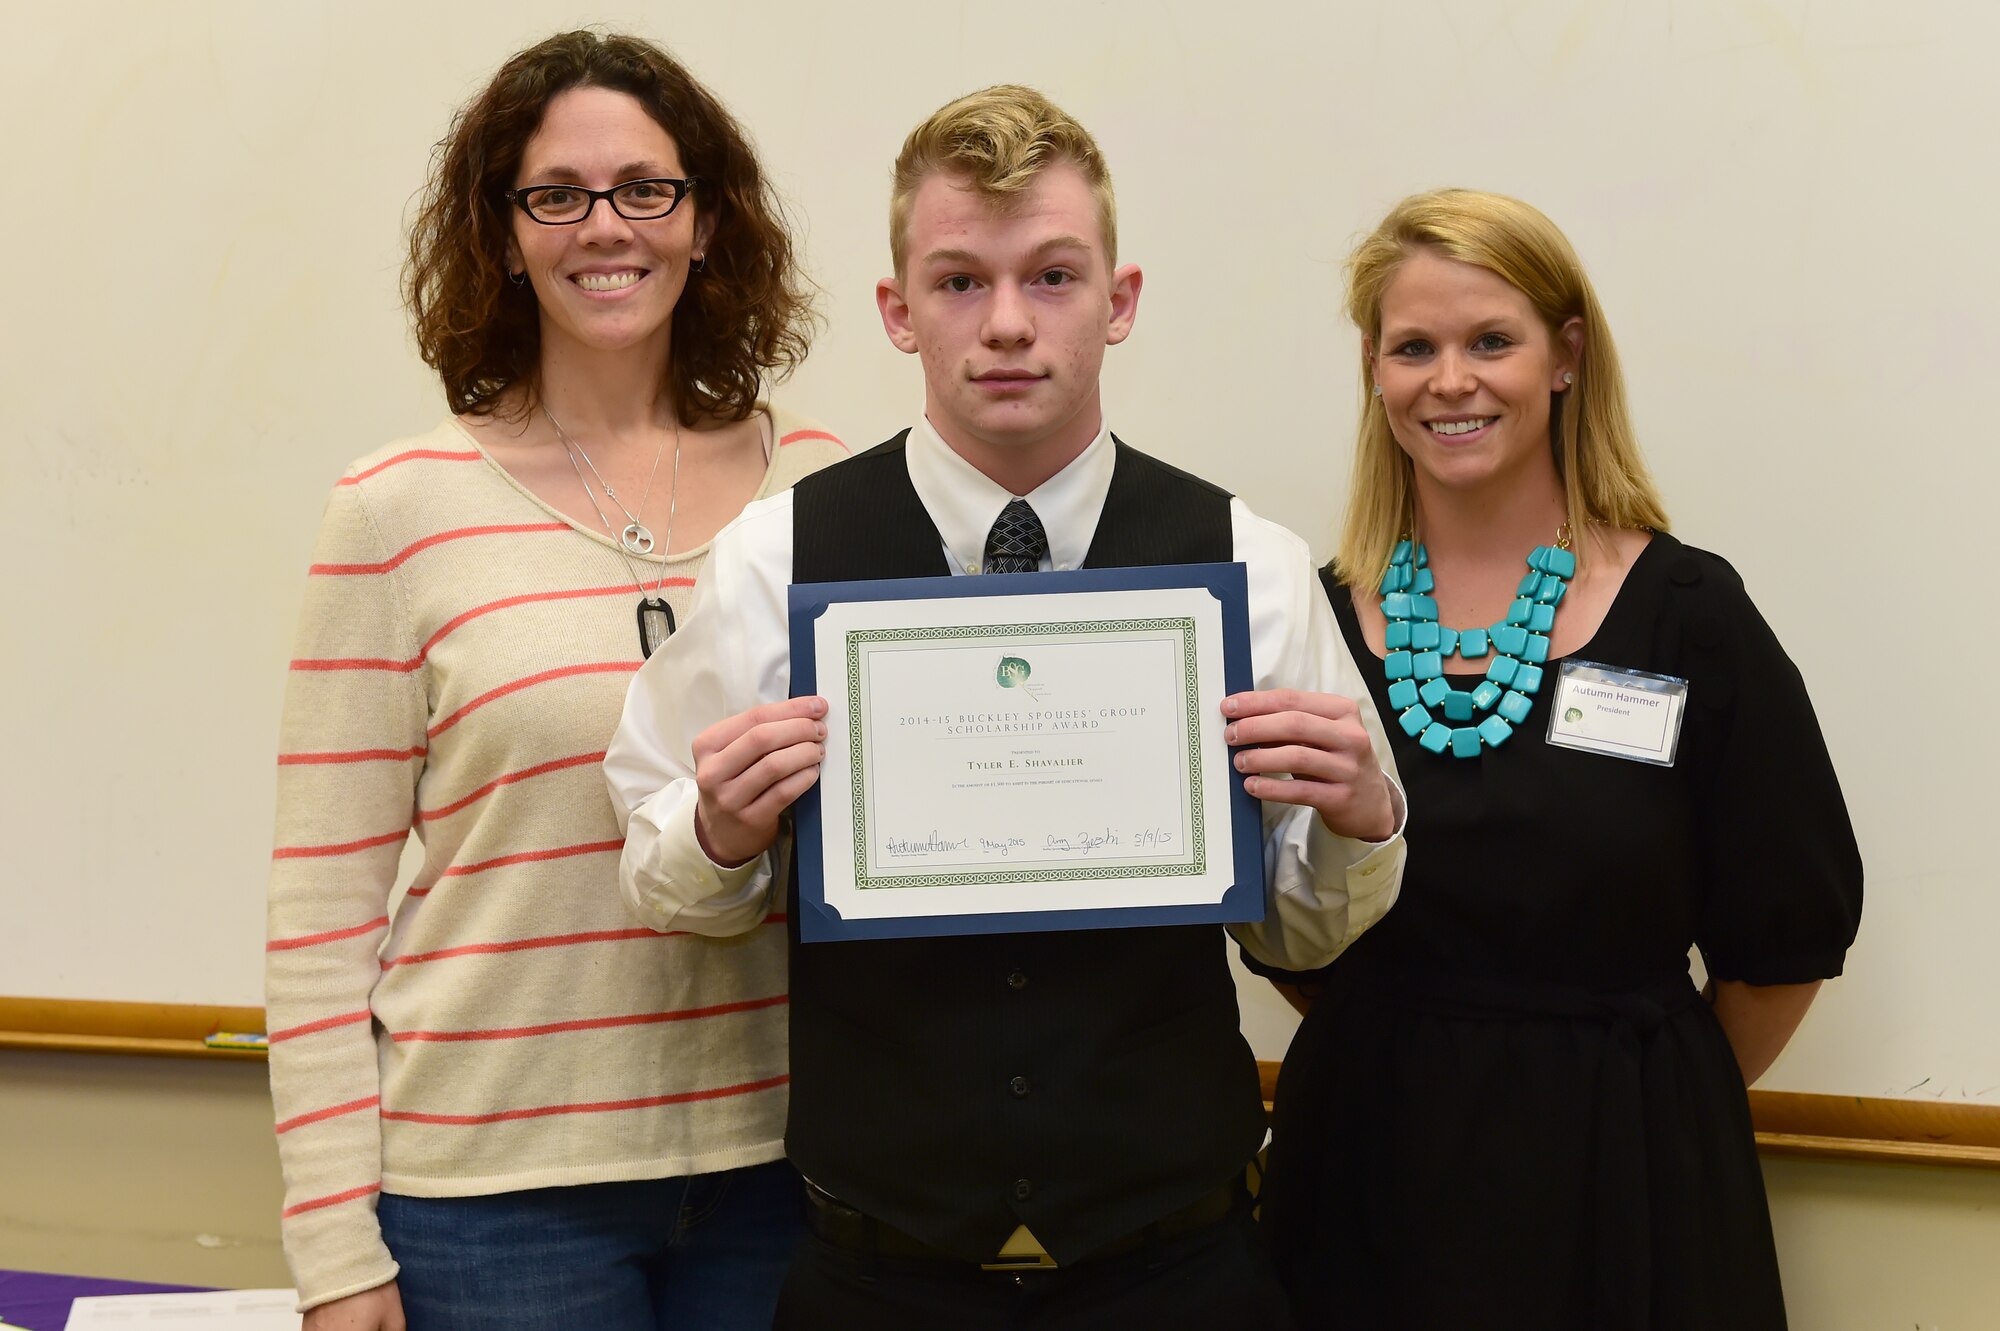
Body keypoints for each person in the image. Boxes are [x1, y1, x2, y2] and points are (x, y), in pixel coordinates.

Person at [604, 84, 1407, 1331]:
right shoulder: (775, 561)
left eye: (1050, 277)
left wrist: (1359, 822)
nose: (1007, 326)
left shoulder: (1249, 564)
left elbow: (1303, 938)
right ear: (898, 311)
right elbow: (658, 867)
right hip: (876, 1273)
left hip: (1176, 1270)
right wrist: (715, 830)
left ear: (1118, 300)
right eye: (959, 282)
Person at [264, 30, 846, 1331]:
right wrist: (335, 1252)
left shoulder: (828, 490)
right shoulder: (395, 512)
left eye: (647, 188)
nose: (607, 227)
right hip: (494, 1199)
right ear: (504, 231)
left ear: (707, 221)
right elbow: (319, 918)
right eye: (557, 194)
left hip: (784, 1172)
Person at [1250, 188, 1863, 1330]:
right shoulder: (1312, 621)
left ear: (1564, 355)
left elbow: (1782, 939)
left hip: (1628, 1178)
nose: (1451, 380)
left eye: (1491, 340)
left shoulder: (1690, 616)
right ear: (1374, 375)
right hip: (1364, 1173)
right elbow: (1283, 916)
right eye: (1412, 347)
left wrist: (1642, 1102)